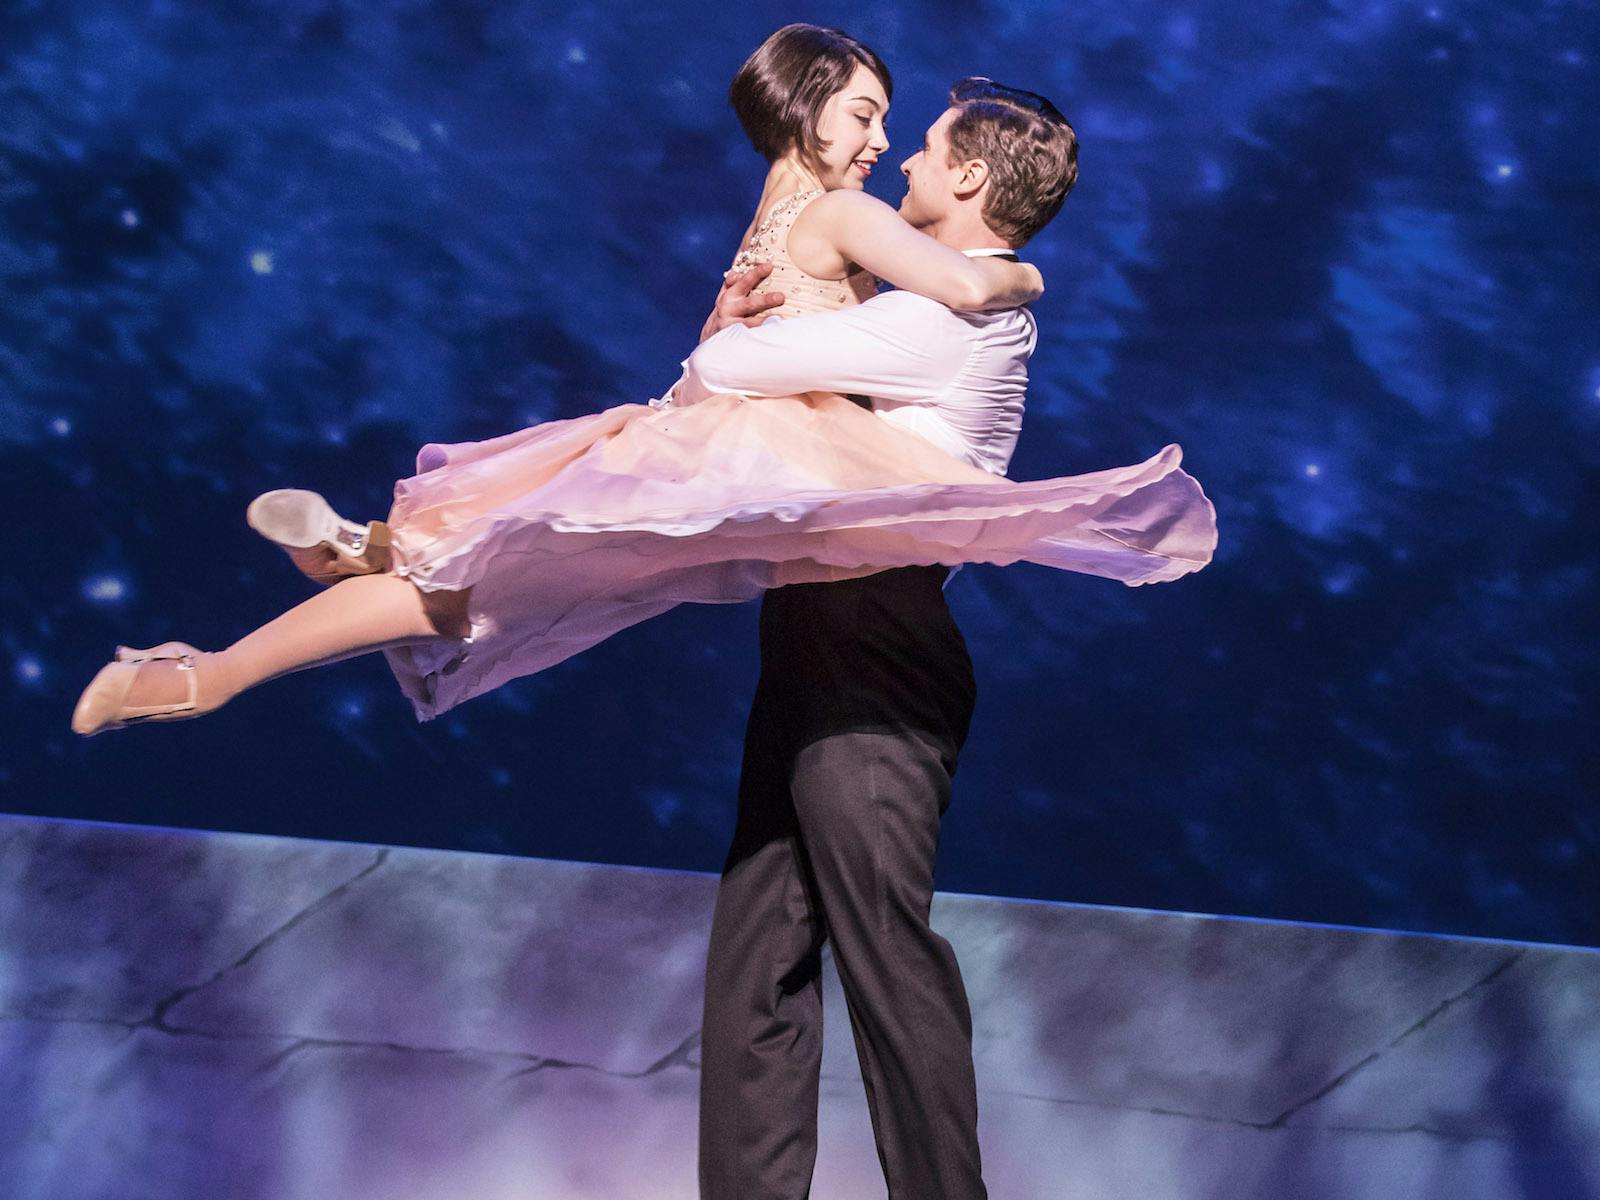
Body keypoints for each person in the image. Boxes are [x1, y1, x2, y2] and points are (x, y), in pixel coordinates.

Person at [68, 24, 1212, 761]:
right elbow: (958, 284)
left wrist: (732, 332)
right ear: (808, 111)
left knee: (472, 586)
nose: (881, 142)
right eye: (865, 115)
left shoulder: (776, 208)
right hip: (760, 445)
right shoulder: (844, 212)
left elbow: (748, 336)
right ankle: (225, 659)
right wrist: (1025, 274)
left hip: (699, 426)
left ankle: (307, 589)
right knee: (478, 596)